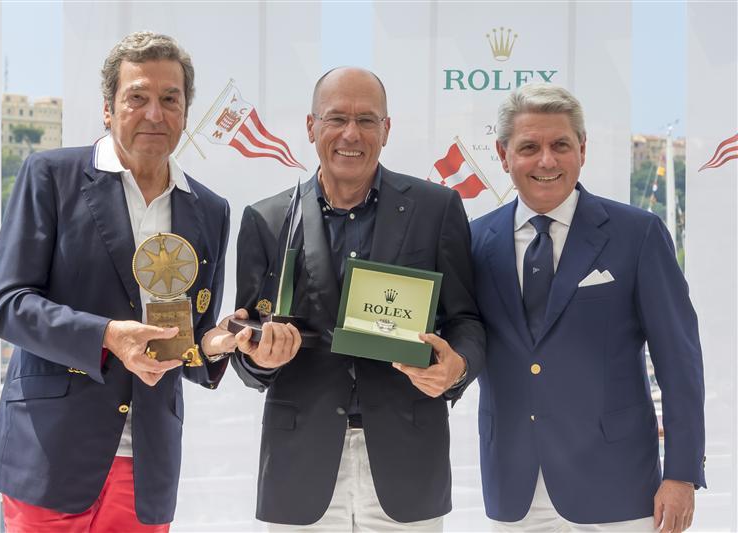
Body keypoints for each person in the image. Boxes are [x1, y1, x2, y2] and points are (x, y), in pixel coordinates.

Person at [0, 31, 237, 531]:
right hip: (51, 452)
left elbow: (189, 338)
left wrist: (219, 342)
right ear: (108, 108)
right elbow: (7, 304)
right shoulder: (51, 176)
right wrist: (107, 336)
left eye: (171, 99)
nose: (155, 114)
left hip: (148, 460)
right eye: (137, 97)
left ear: (186, 111)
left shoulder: (209, 209)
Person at [229, 66, 486, 531]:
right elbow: (246, 350)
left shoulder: (437, 209)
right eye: (336, 118)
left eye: (367, 120)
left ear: (387, 130)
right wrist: (260, 357)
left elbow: (466, 319)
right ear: (311, 127)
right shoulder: (266, 220)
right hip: (299, 468)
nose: (352, 133)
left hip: (408, 462)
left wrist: (457, 367)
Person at [470, 83, 705, 532]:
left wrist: (681, 473)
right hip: (513, 486)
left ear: (582, 149)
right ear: (503, 155)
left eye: (560, 145)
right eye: (529, 147)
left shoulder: (638, 234)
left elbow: (679, 362)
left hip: (618, 487)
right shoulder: (474, 241)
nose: (546, 160)